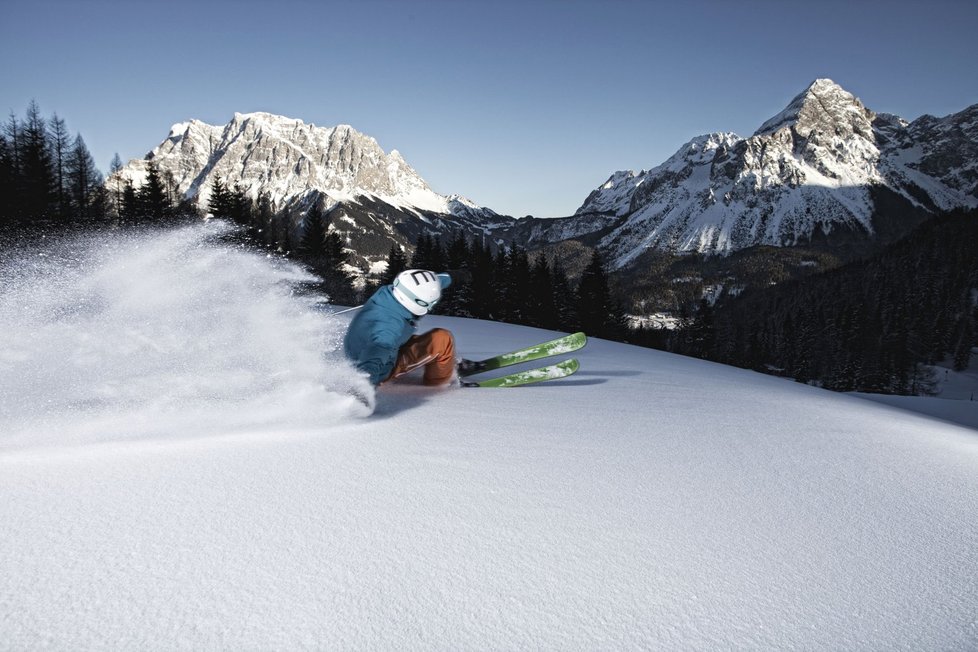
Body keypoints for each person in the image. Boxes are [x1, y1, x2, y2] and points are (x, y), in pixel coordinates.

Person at [343, 268, 457, 387]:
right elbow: (373, 359)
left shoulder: (390, 293)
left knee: (415, 340)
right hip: (382, 368)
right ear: (418, 303)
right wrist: (361, 389)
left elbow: (422, 285)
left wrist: (452, 277)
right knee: (442, 339)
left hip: (361, 349)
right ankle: (440, 382)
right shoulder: (389, 330)